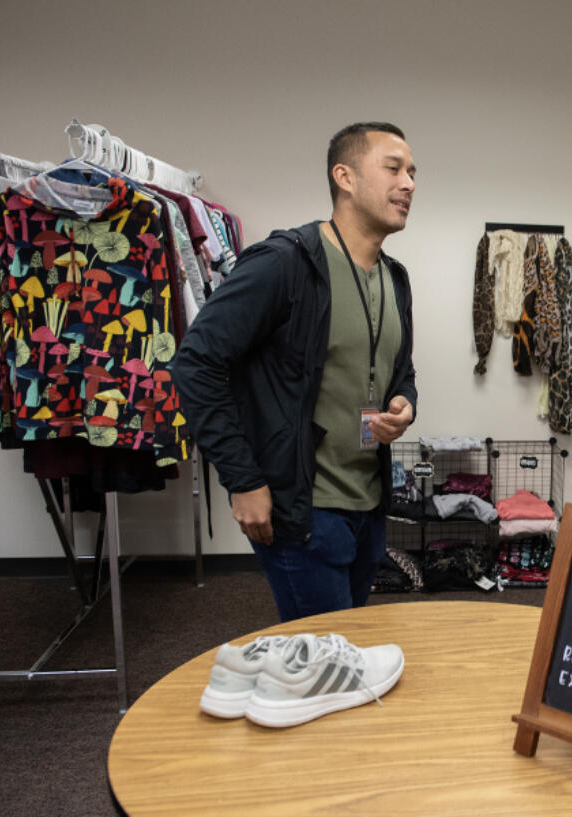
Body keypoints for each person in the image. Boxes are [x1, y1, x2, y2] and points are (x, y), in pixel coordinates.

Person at [175, 122, 418, 623]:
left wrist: (402, 403)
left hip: (369, 508)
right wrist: (242, 480)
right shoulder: (284, 263)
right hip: (304, 513)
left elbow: (400, 369)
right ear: (344, 177)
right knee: (325, 665)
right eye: (393, 168)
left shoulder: (395, 278)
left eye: (413, 172)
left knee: (349, 652)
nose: (410, 183)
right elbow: (195, 363)